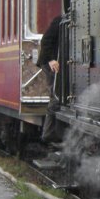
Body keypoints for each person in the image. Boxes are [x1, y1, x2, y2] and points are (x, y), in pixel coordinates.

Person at [38, 15, 63, 143]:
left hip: (53, 62)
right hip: (49, 63)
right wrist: (51, 60)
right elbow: (45, 40)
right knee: (55, 95)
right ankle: (48, 133)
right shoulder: (59, 20)